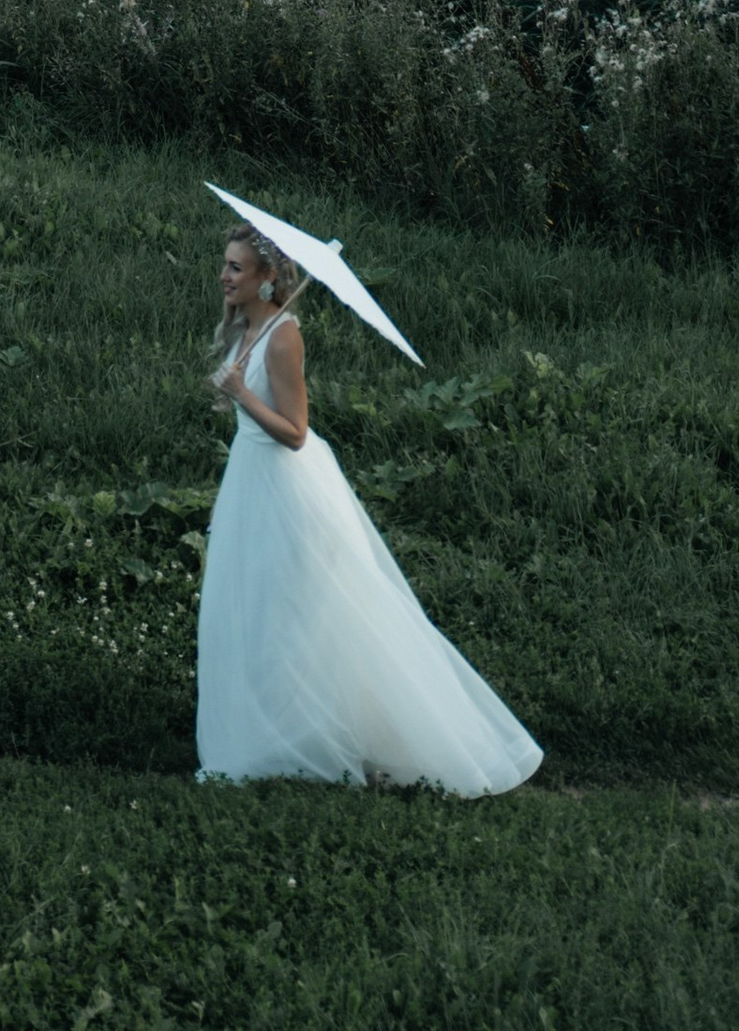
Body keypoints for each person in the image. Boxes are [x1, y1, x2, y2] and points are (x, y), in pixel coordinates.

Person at [196, 221, 543, 792]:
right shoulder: (243, 332)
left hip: (288, 489)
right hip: (250, 484)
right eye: (226, 264)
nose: (224, 275)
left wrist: (242, 394)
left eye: (236, 267)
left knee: (301, 617)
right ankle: (273, 740)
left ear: (266, 279)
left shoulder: (283, 335)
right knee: (256, 614)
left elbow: (296, 432)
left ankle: (344, 743)